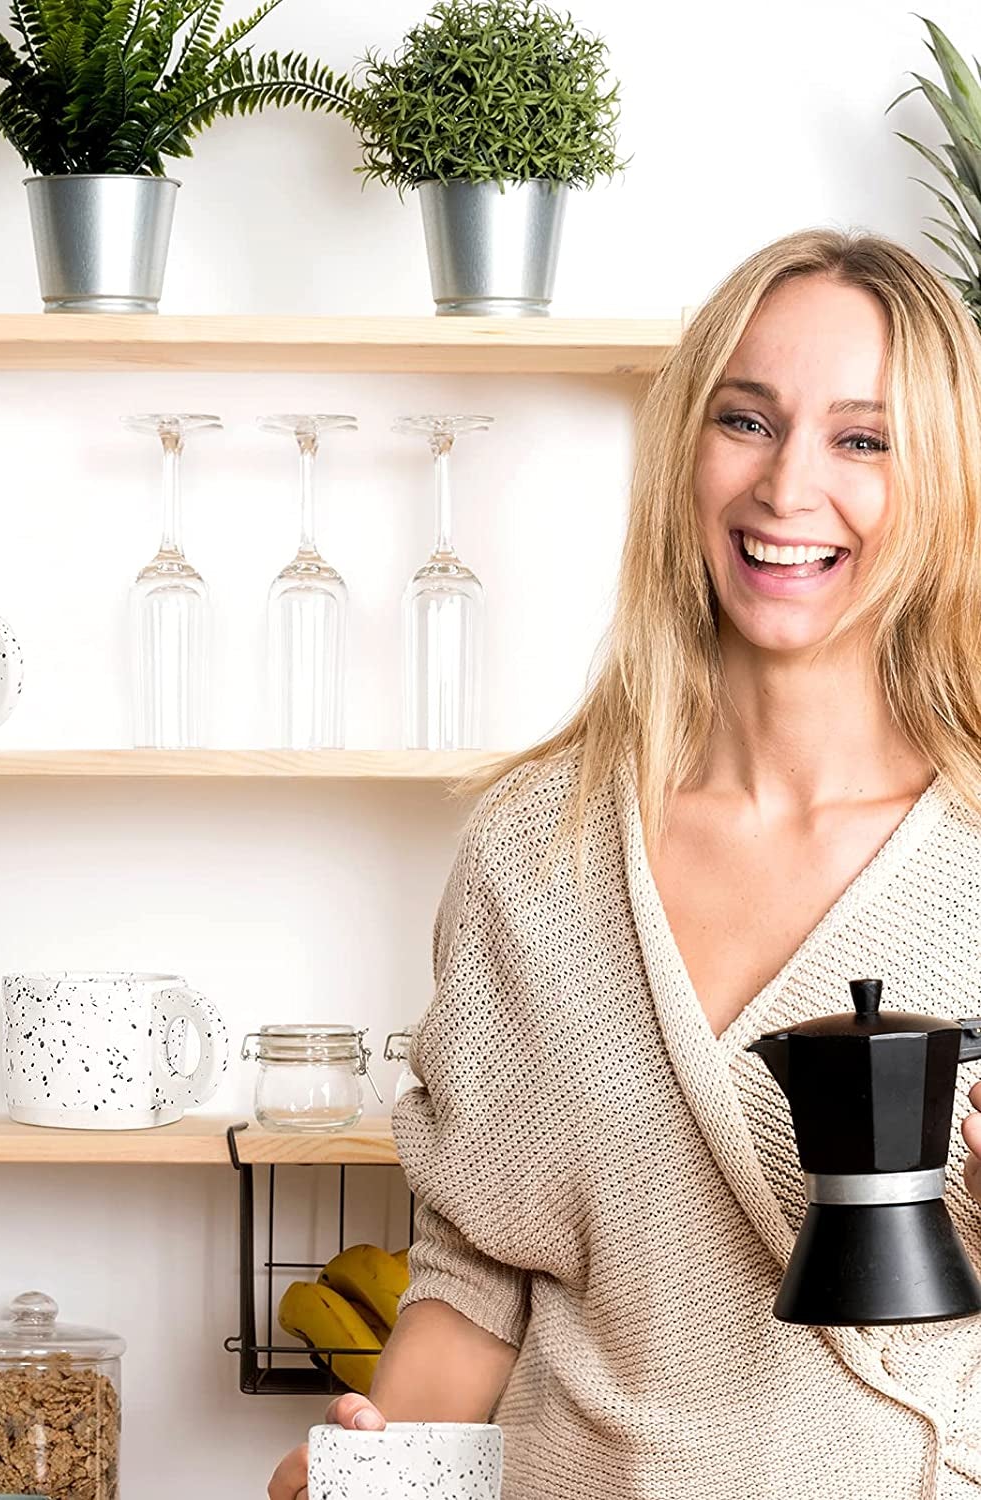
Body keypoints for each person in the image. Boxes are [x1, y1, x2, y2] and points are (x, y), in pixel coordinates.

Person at [269, 227, 981, 1500]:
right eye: (746, 421)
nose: (786, 489)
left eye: (862, 441)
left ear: (943, 484)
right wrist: (367, 1475)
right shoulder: (535, 849)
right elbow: (476, 1275)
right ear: (682, 455)